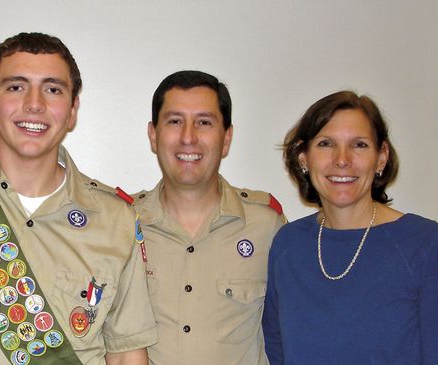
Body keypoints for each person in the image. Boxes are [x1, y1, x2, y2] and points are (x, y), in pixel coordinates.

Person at [0, 32, 156, 365]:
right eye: (15, 87)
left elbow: (126, 351)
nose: (35, 104)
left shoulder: (116, 219)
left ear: (72, 110)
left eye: (53, 89)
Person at [262, 90, 438, 364]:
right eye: (325, 144)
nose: (342, 159)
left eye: (359, 145)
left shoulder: (424, 244)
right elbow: (277, 351)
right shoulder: (288, 244)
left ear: (381, 157)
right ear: (303, 157)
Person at [133, 70, 286, 365]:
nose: (188, 137)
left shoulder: (266, 226)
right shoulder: (122, 224)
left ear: (226, 138)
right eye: (175, 121)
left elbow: (288, 332)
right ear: (154, 135)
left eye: (204, 122)